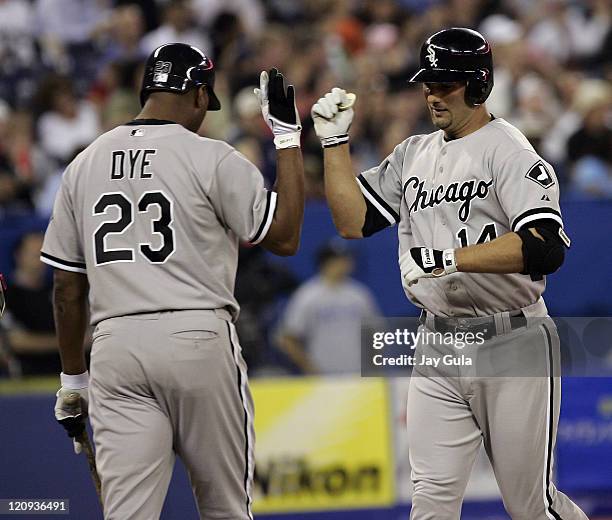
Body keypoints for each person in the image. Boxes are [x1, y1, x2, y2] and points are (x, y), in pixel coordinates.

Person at [312, 28, 588, 520]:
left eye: (446, 83)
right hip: (438, 343)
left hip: (512, 339)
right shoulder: (413, 153)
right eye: (428, 83)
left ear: (479, 85)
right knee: (431, 503)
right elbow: (351, 222)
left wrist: (453, 259)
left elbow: (545, 248)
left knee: (530, 506)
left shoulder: (509, 150)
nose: (432, 93)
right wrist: (334, 143)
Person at [42, 43, 304, 520]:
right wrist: (286, 138)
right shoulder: (211, 156)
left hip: (115, 346)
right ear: (200, 95)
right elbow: (284, 237)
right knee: (225, 507)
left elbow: (66, 288)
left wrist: (72, 379)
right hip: (197, 336)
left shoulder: (83, 164)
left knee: (127, 514)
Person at [277, 241, 380, 375]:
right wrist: (310, 368)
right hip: (323, 377)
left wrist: (374, 366)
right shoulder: (308, 295)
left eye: (347, 258)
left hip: (357, 376)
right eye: (340, 259)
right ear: (326, 262)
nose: (346, 263)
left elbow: (375, 334)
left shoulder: (359, 294)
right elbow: (288, 338)